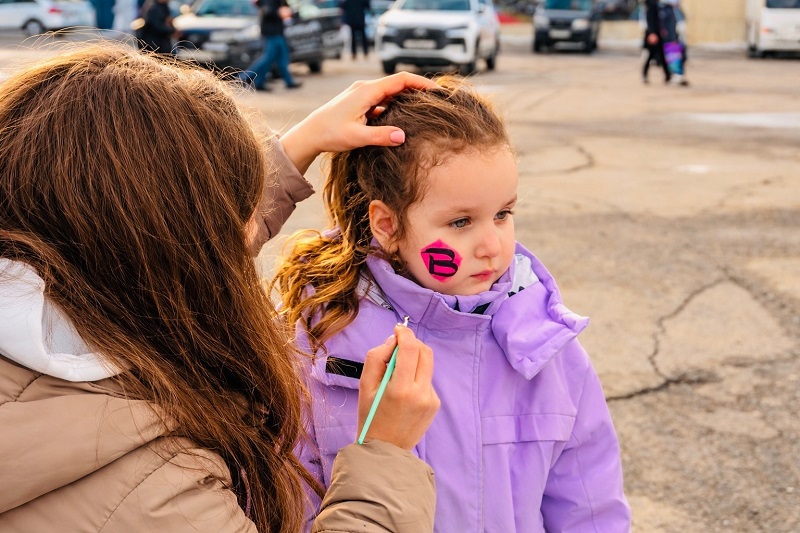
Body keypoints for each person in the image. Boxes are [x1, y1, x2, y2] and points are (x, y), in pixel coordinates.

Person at [0, 43, 441, 532]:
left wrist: (303, 142)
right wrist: (386, 456)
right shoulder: (153, 491)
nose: (251, 228)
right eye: (238, 214)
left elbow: (173, 251)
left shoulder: (53, 291)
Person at [274, 77, 632, 531]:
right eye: (461, 221)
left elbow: (590, 507)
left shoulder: (545, 347)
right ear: (387, 224)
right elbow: (289, 502)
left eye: (503, 213)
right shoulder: (323, 344)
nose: (491, 245)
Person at [239, 0, 301, 91]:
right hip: (272, 32)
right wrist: (279, 12)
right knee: (268, 58)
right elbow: (268, 11)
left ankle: (286, 82)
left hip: (277, 31)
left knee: (281, 58)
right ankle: (243, 77)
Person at [659, 0, 689, 86]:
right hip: (672, 41)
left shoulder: (677, 10)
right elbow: (668, 27)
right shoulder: (666, 10)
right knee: (673, 56)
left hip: (678, 39)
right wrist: (672, 38)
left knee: (682, 55)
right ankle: (675, 75)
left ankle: (679, 74)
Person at [640, 0, 670, 84]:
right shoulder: (651, 5)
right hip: (653, 35)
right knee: (651, 55)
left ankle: (667, 75)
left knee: (661, 55)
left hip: (657, 33)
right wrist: (652, 33)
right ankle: (645, 75)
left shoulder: (656, 5)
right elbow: (650, 20)